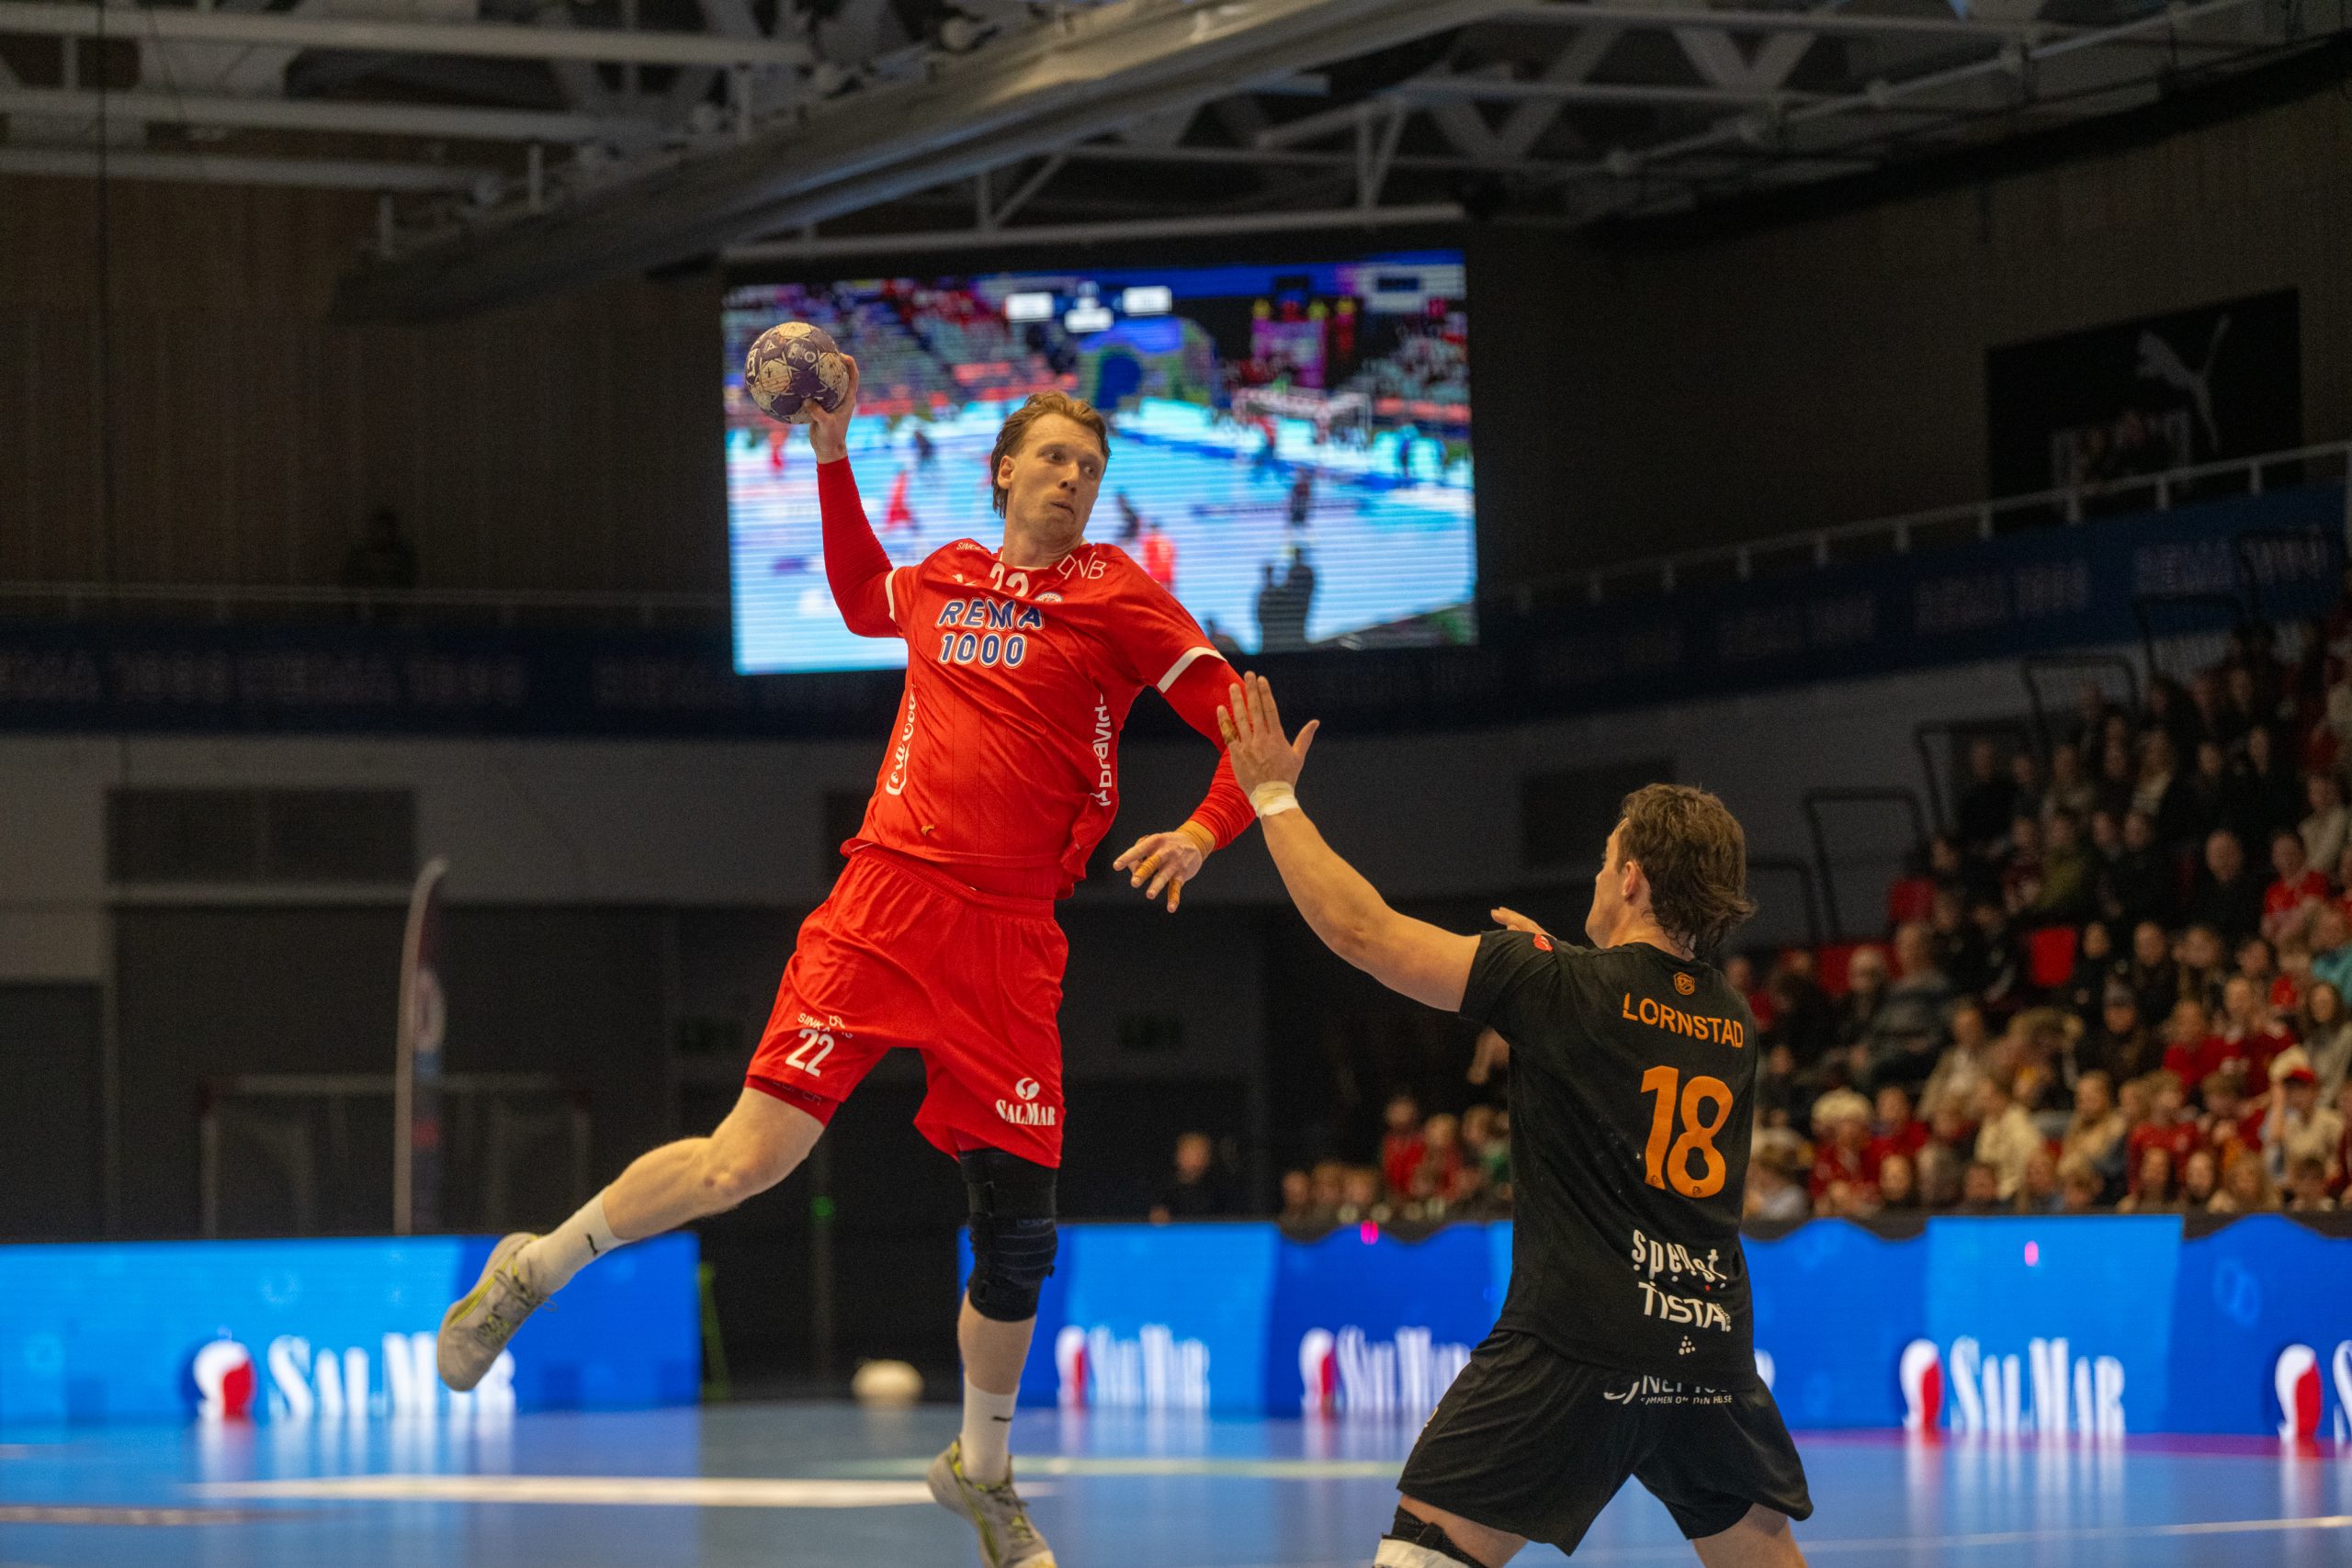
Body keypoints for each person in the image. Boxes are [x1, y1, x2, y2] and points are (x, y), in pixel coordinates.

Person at [435, 372, 1262, 1568]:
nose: (1073, 479)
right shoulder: (944, 578)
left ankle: (981, 1471)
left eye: (1089, 466)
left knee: (1019, 1239)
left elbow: (1243, 723)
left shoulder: (1117, 596)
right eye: (1052, 458)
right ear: (1003, 470)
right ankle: (533, 1270)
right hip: (887, 903)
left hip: (1010, 940)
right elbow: (859, 592)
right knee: (744, 1161)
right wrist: (831, 453)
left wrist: (1204, 829)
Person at [1216, 676, 1811, 1568]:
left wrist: (1271, 794)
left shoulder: (1555, 986)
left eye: (1607, 860)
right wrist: (1554, 971)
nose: (1599, 873)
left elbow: (1361, 932)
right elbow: (1634, 1024)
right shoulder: (1731, 1016)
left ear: (1633, 879)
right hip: (1707, 1343)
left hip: (1577, 1340)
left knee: (1421, 1551)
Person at [1151, 1131, 1236, 1221]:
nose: (1196, 1160)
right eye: (1191, 1152)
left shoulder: (1220, 1192)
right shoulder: (1161, 1190)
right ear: (1178, 1155)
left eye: (1201, 1154)